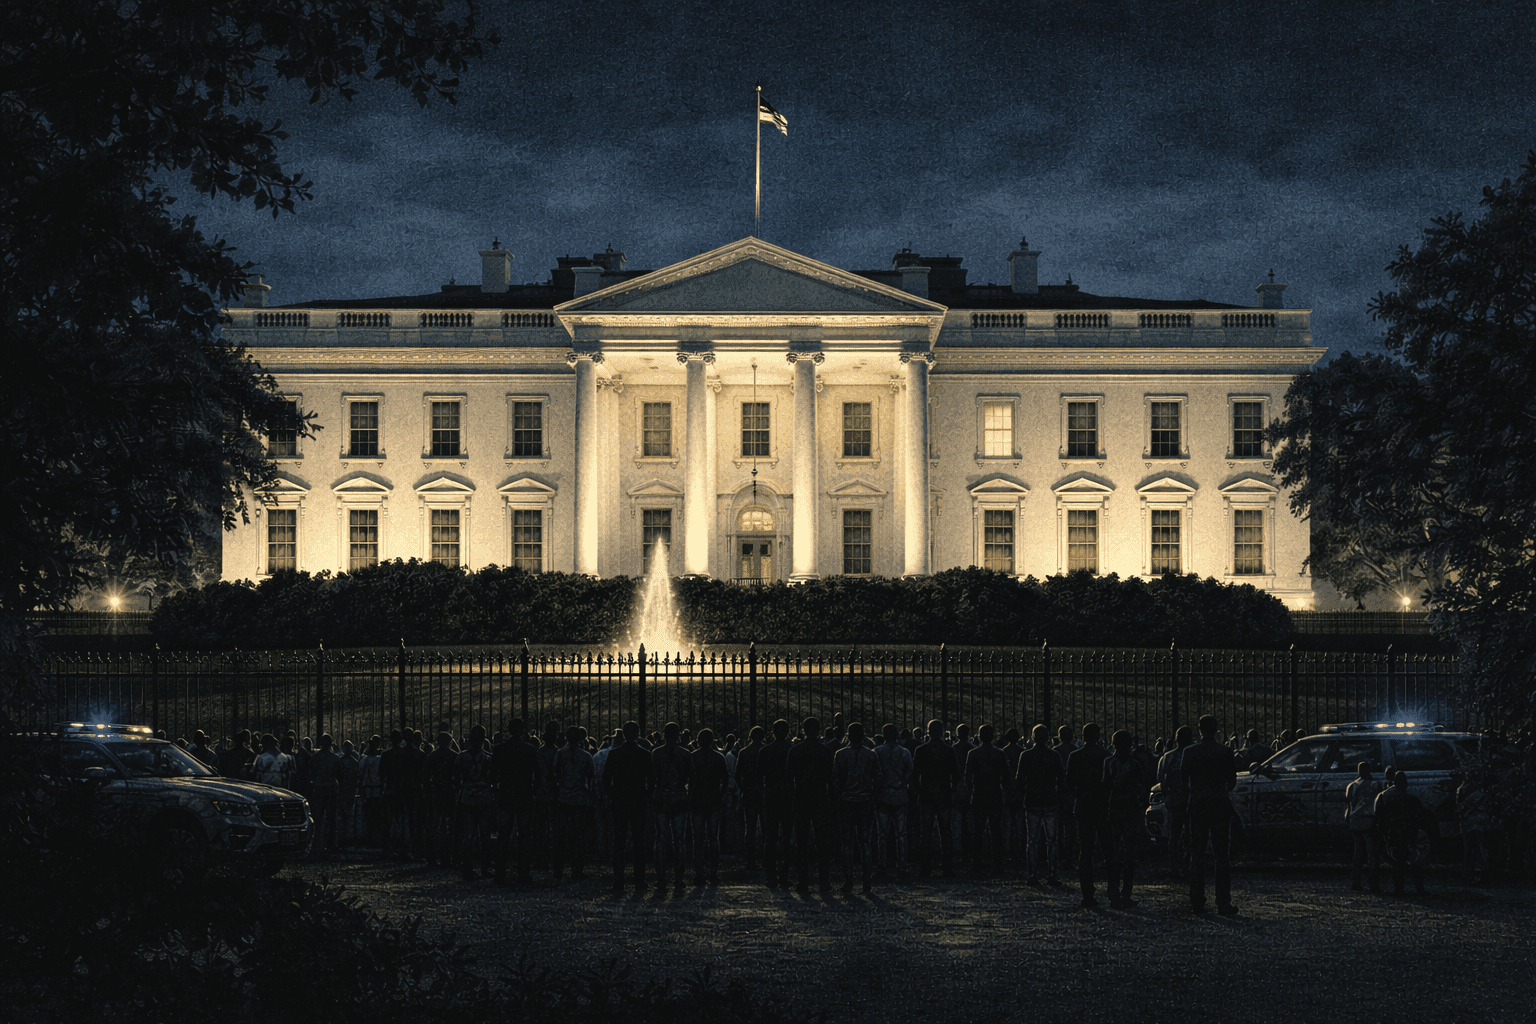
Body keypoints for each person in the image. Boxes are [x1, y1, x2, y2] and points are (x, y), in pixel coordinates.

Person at [1183, 714, 1239, 915]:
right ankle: (1223, 902)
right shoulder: (1225, 752)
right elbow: (1231, 782)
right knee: (1221, 856)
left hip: (1197, 806)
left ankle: (1197, 900)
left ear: (1199, 729)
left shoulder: (1190, 752)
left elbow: (1183, 780)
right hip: (1218, 806)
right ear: (1216, 729)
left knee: (1196, 854)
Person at [1066, 723, 1113, 909]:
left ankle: (1087, 893)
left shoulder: (1075, 756)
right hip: (1101, 806)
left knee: (1085, 851)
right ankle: (1112, 890)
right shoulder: (1105, 756)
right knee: (1108, 850)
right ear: (1099, 735)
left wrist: (1079, 795)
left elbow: (1068, 782)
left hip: (1083, 805)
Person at [787, 716, 835, 894]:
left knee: (801, 842)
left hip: (801, 798)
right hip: (820, 797)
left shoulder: (795, 750)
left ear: (804, 729)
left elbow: (789, 777)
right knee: (822, 841)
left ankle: (803, 881)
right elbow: (831, 776)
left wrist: (794, 796)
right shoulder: (825, 750)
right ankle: (824, 880)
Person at [603, 720, 652, 893]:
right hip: (638, 801)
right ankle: (640, 880)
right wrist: (647, 796)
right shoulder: (645, 754)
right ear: (638, 733)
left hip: (620, 802)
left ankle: (619, 880)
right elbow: (651, 780)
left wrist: (613, 796)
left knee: (619, 842)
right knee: (639, 842)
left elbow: (605, 779)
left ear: (623, 734)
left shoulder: (615, 753)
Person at [490, 718, 539, 885]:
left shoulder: (499, 749)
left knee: (503, 836)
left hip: (506, 796)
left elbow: (491, 775)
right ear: (523, 730)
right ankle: (523, 873)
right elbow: (538, 775)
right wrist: (532, 791)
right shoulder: (530, 749)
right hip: (524, 796)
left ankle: (500, 874)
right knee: (524, 835)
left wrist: (498, 789)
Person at [1102, 729, 1147, 908]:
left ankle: (1113, 890)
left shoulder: (1108, 762)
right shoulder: (1134, 764)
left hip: (1114, 808)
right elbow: (1141, 786)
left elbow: (1105, 785)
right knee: (1130, 853)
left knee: (1114, 852)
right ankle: (1126, 893)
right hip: (1129, 808)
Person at [833, 721, 879, 894]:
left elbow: (836, 779)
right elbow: (878, 778)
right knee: (865, 842)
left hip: (847, 801)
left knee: (847, 843)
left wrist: (841, 795)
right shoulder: (871, 755)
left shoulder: (840, 754)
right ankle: (866, 883)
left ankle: (849, 882)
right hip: (865, 801)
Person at [1017, 724, 1065, 886]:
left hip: (1032, 800)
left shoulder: (1026, 755)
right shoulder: (1054, 755)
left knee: (1032, 840)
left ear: (1033, 737)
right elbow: (1061, 778)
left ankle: (1032, 874)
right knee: (1052, 840)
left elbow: (1019, 780)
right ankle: (1052, 874)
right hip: (1050, 799)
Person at [913, 719, 960, 878]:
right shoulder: (949, 750)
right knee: (946, 832)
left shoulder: (920, 750)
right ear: (941, 731)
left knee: (926, 832)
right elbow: (956, 774)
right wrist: (952, 789)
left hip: (926, 795)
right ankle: (948, 868)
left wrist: (918, 790)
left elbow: (914, 775)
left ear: (928, 731)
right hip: (944, 795)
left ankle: (925, 868)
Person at [1374, 770, 1431, 896]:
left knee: (1398, 862)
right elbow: (1420, 816)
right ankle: (1418, 888)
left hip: (1396, 833)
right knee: (1415, 861)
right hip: (1409, 832)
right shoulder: (1413, 798)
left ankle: (1399, 889)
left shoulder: (1385, 796)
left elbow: (1380, 815)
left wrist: (1385, 831)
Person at [650, 721, 691, 888]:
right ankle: (679, 879)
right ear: (678, 734)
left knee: (660, 839)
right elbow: (690, 777)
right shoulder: (685, 754)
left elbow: (652, 778)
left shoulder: (656, 753)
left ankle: (661, 878)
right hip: (680, 797)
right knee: (679, 840)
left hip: (661, 798)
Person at [453, 724, 496, 881]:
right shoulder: (488, 759)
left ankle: (468, 869)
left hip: (467, 796)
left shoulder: (461, 757)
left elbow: (456, 780)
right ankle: (484, 868)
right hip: (484, 796)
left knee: (469, 834)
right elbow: (493, 779)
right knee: (484, 835)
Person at [552, 725, 594, 882]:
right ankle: (577, 870)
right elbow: (590, 777)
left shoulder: (560, 753)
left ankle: (558, 870)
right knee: (577, 836)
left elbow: (555, 773)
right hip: (579, 799)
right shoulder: (586, 756)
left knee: (560, 836)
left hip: (563, 798)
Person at [965, 725, 1008, 877]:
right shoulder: (999, 753)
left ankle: (977, 863)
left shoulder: (973, 753)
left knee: (978, 831)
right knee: (996, 831)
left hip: (979, 795)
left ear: (979, 736)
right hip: (995, 794)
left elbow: (968, 778)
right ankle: (997, 864)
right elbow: (1007, 777)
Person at [873, 723, 913, 880]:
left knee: (882, 834)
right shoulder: (904, 752)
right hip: (900, 795)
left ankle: (882, 866)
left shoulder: (877, 752)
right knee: (901, 834)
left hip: (883, 796)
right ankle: (902, 866)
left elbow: (874, 774)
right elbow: (910, 771)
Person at [689, 728, 729, 886]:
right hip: (714, 800)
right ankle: (713, 872)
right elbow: (725, 779)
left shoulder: (693, 756)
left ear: (698, 740)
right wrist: (721, 794)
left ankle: (699, 873)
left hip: (697, 800)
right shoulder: (718, 757)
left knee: (698, 839)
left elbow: (690, 779)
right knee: (714, 838)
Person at [759, 719, 794, 888]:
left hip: (771, 794)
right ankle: (784, 874)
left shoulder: (765, 751)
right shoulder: (791, 750)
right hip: (787, 796)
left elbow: (759, 776)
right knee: (786, 837)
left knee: (770, 837)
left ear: (772, 732)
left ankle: (771, 875)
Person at [1158, 726, 1193, 879]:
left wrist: (1168, 794)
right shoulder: (1194, 754)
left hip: (1174, 800)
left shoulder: (1167, 757)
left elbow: (1161, 780)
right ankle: (1188, 865)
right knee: (1191, 834)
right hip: (1191, 799)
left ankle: (1174, 867)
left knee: (1174, 835)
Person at [1345, 761, 1385, 892]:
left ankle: (1356, 882)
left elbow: (1350, 803)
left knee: (1358, 853)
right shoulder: (1376, 785)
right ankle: (1374, 884)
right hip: (1369, 820)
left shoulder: (1352, 785)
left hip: (1355, 820)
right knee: (1373, 854)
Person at [424, 730, 459, 867]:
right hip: (450, 794)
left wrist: (428, 794)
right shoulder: (454, 756)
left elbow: (426, 778)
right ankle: (448, 857)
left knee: (434, 826)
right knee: (450, 827)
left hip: (436, 794)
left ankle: (431, 857)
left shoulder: (432, 757)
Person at [306, 733, 343, 860]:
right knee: (331, 818)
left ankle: (316, 845)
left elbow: (311, 772)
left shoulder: (315, 757)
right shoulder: (335, 758)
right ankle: (331, 844)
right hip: (331, 788)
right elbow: (339, 774)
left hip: (319, 788)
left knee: (317, 818)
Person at [531, 722, 562, 873]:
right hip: (554, 795)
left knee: (539, 829)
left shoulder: (538, 752)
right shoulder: (558, 752)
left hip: (540, 794)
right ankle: (555, 859)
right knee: (554, 829)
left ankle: (539, 858)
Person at [736, 725, 766, 871]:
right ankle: (767, 858)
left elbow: (737, 775)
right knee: (767, 828)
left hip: (749, 793)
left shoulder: (744, 752)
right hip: (764, 793)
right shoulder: (765, 750)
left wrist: (744, 788)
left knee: (750, 827)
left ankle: (750, 859)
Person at [359, 736, 385, 848]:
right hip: (374, 789)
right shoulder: (377, 759)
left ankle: (372, 837)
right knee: (373, 814)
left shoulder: (366, 759)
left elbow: (361, 774)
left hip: (372, 789)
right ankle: (373, 837)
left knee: (371, 814)